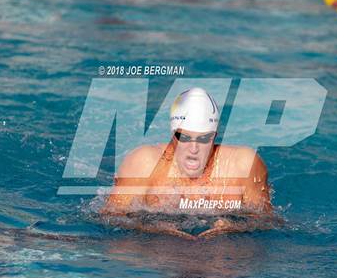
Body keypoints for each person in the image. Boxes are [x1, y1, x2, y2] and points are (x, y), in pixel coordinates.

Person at [100, 87, 273, 239]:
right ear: (173, 133)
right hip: (159, 250)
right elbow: (108, 218)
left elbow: (269, 222)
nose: (194, 148)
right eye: (184, 137)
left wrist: (234, 227)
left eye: (204, 138)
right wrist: (153, 228)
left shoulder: (243, 165)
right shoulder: (144, 163)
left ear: (215, 136)